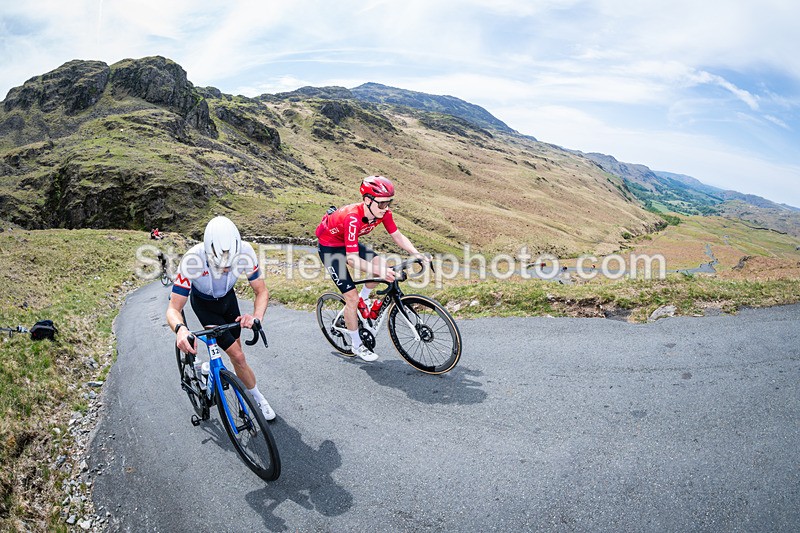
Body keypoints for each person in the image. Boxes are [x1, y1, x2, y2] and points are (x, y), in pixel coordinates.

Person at [165, 216, 276, 420]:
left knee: (237, 352)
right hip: (204, 305)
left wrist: (256, 317)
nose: (225, 270)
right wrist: (180, 329)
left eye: (230, 266)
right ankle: (258, 398)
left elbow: (261, 291)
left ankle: (209, 368)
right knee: (239, 357)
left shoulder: (245, 252)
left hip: (228, 300)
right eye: (219, 266)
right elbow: (173, 308)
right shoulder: (192, 260)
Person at [316, 175, 427, 361]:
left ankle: (364, 299)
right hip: (330, 248)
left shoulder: (383, 213)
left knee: (380, 266)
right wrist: (382, 273)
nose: (387, 208)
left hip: (346, 243)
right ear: (368, 200)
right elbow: (351, 260)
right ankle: (357, 345)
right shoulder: (353, 217)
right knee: (350, 298)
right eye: (382, 204)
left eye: (389, 203)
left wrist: (416, 253)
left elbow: (397, 236)